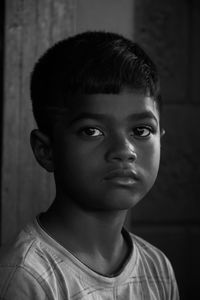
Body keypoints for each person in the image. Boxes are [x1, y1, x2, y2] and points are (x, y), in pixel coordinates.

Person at [0, 31, 179, 299]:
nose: (124, 150)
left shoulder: (157, 268)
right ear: (45, 150)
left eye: (141, 131)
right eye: (92, 131)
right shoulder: (26, 276)